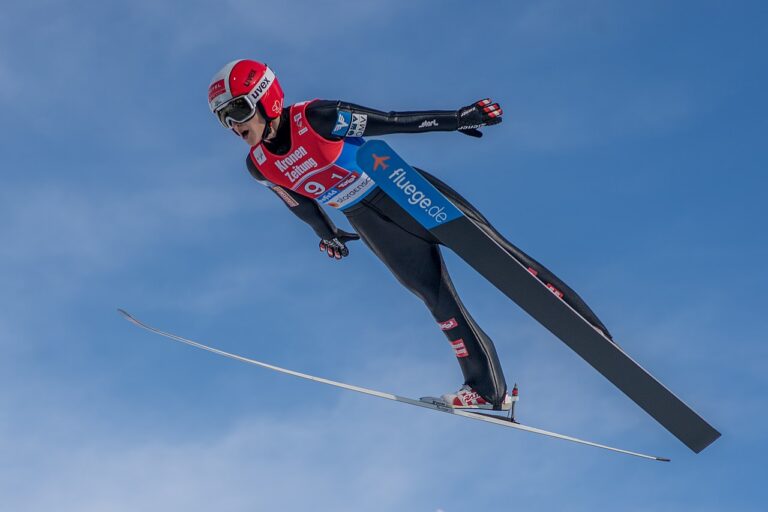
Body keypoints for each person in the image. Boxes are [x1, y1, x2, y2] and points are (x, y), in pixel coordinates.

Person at [207, 59, 611, 410]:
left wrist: (458, 119)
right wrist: (327, 233)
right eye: (224, 118)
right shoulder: (258, 166)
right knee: (434, 298)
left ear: (268, 98)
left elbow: (394, 121)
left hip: (396, 187)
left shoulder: (316, 117)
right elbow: (298, 202)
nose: (233, 125)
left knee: (494, 254)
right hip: (365, 219)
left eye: (238, 110)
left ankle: (588, 327)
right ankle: (488, 392)